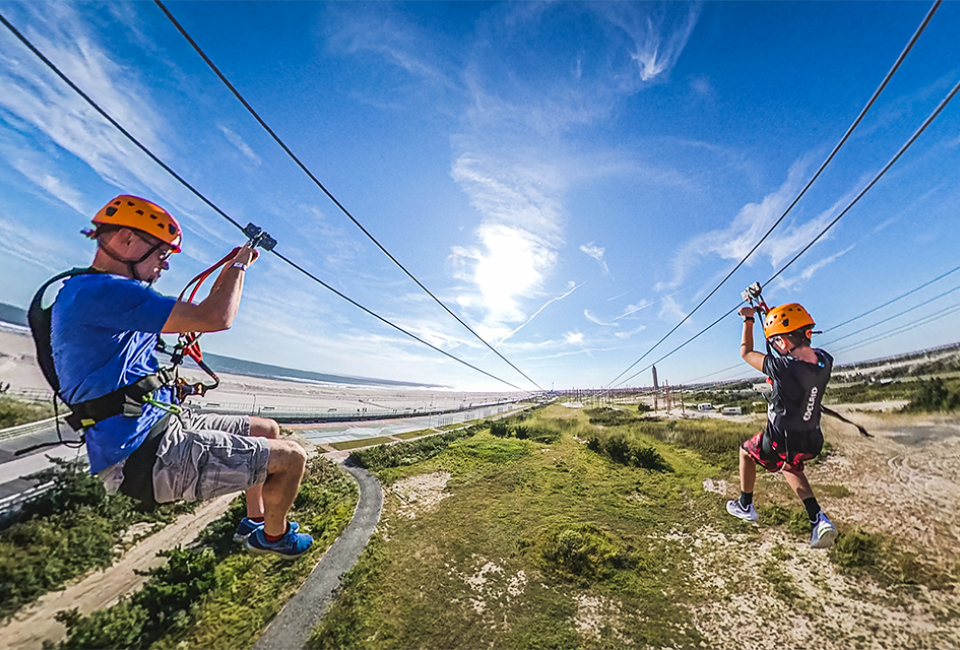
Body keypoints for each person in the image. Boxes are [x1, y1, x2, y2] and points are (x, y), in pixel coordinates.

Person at [44, 194, 312, 558]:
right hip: (140, 455)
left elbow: (203, 312)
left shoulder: (95, 291)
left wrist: (232, 265)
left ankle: (254, 521)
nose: (164, 266)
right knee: (292, 459)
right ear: (126, 240)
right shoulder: (106, 292)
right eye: (162, 254)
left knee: (266, 430)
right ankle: (273, 538)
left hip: (158, 422)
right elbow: (216, 318)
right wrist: (240, 268)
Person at [726, 302, 838, 549]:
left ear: (783, 343)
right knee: (791, 468)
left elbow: (746, 352)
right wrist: (771, 316)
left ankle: (745, 504)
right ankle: (817, 519)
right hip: (811, 441)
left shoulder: (782, 367)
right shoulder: (824, 361)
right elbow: (792, 353)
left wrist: (748, 319)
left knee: (746, 451)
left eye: (776, 342)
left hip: (782, 442)